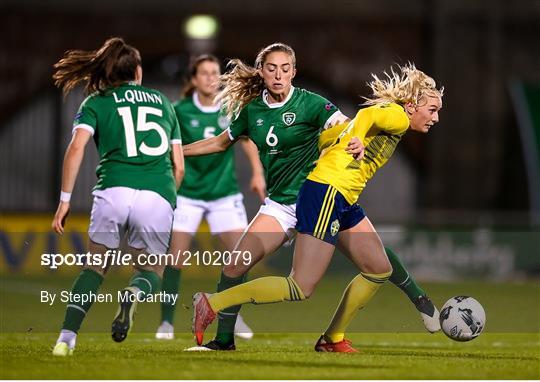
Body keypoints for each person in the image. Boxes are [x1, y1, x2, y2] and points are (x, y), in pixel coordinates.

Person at [191, 63, 444, 352]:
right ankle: (212, 303)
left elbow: (331, 135)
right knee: (301, 286)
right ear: (412, 106)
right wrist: (357, 137)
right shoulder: (398, 117)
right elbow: (367, 113)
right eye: (432, 109)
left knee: (378, 268)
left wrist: (336, 140)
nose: (435, 117)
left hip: (342, 197)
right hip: (327, 193)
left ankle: (332, 339)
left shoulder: (393, 117)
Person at [181, 42, 351, 350]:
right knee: (234, 266)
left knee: (372, 261)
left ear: (294, 73)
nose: (278, 75)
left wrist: (354, 139)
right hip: (281, 206)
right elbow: (220, 143)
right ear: (261, 71)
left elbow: (343, 125)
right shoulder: (253, 111)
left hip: (318, 202)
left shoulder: (310, 103)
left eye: (285, 69)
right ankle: (223, 341)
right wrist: (178, 152)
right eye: (271, 68)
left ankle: (418, 301)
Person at [50, 37, 184, 356]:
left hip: (114, 188)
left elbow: (76, 148)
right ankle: (133, 296)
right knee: (151, 271)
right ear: (138, 71)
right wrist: (166, 198)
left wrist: (65, 200)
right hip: (157, 192)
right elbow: (178, 166)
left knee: (95, 268)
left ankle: (66, 339)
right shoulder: (163, 101)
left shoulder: (96, 101)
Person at [155, 54, 265, 341]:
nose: (211, 78)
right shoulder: (178, 110)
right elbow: (167, 147)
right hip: (188, 193)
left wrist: (257, 173)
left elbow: (247, 140)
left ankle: (233, 315)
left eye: (215, 72)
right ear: (193, 79)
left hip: (223, 192)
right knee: (176, 258)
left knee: (240, 256)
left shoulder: (230, 108)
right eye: (204, 73)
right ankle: (166, 323)